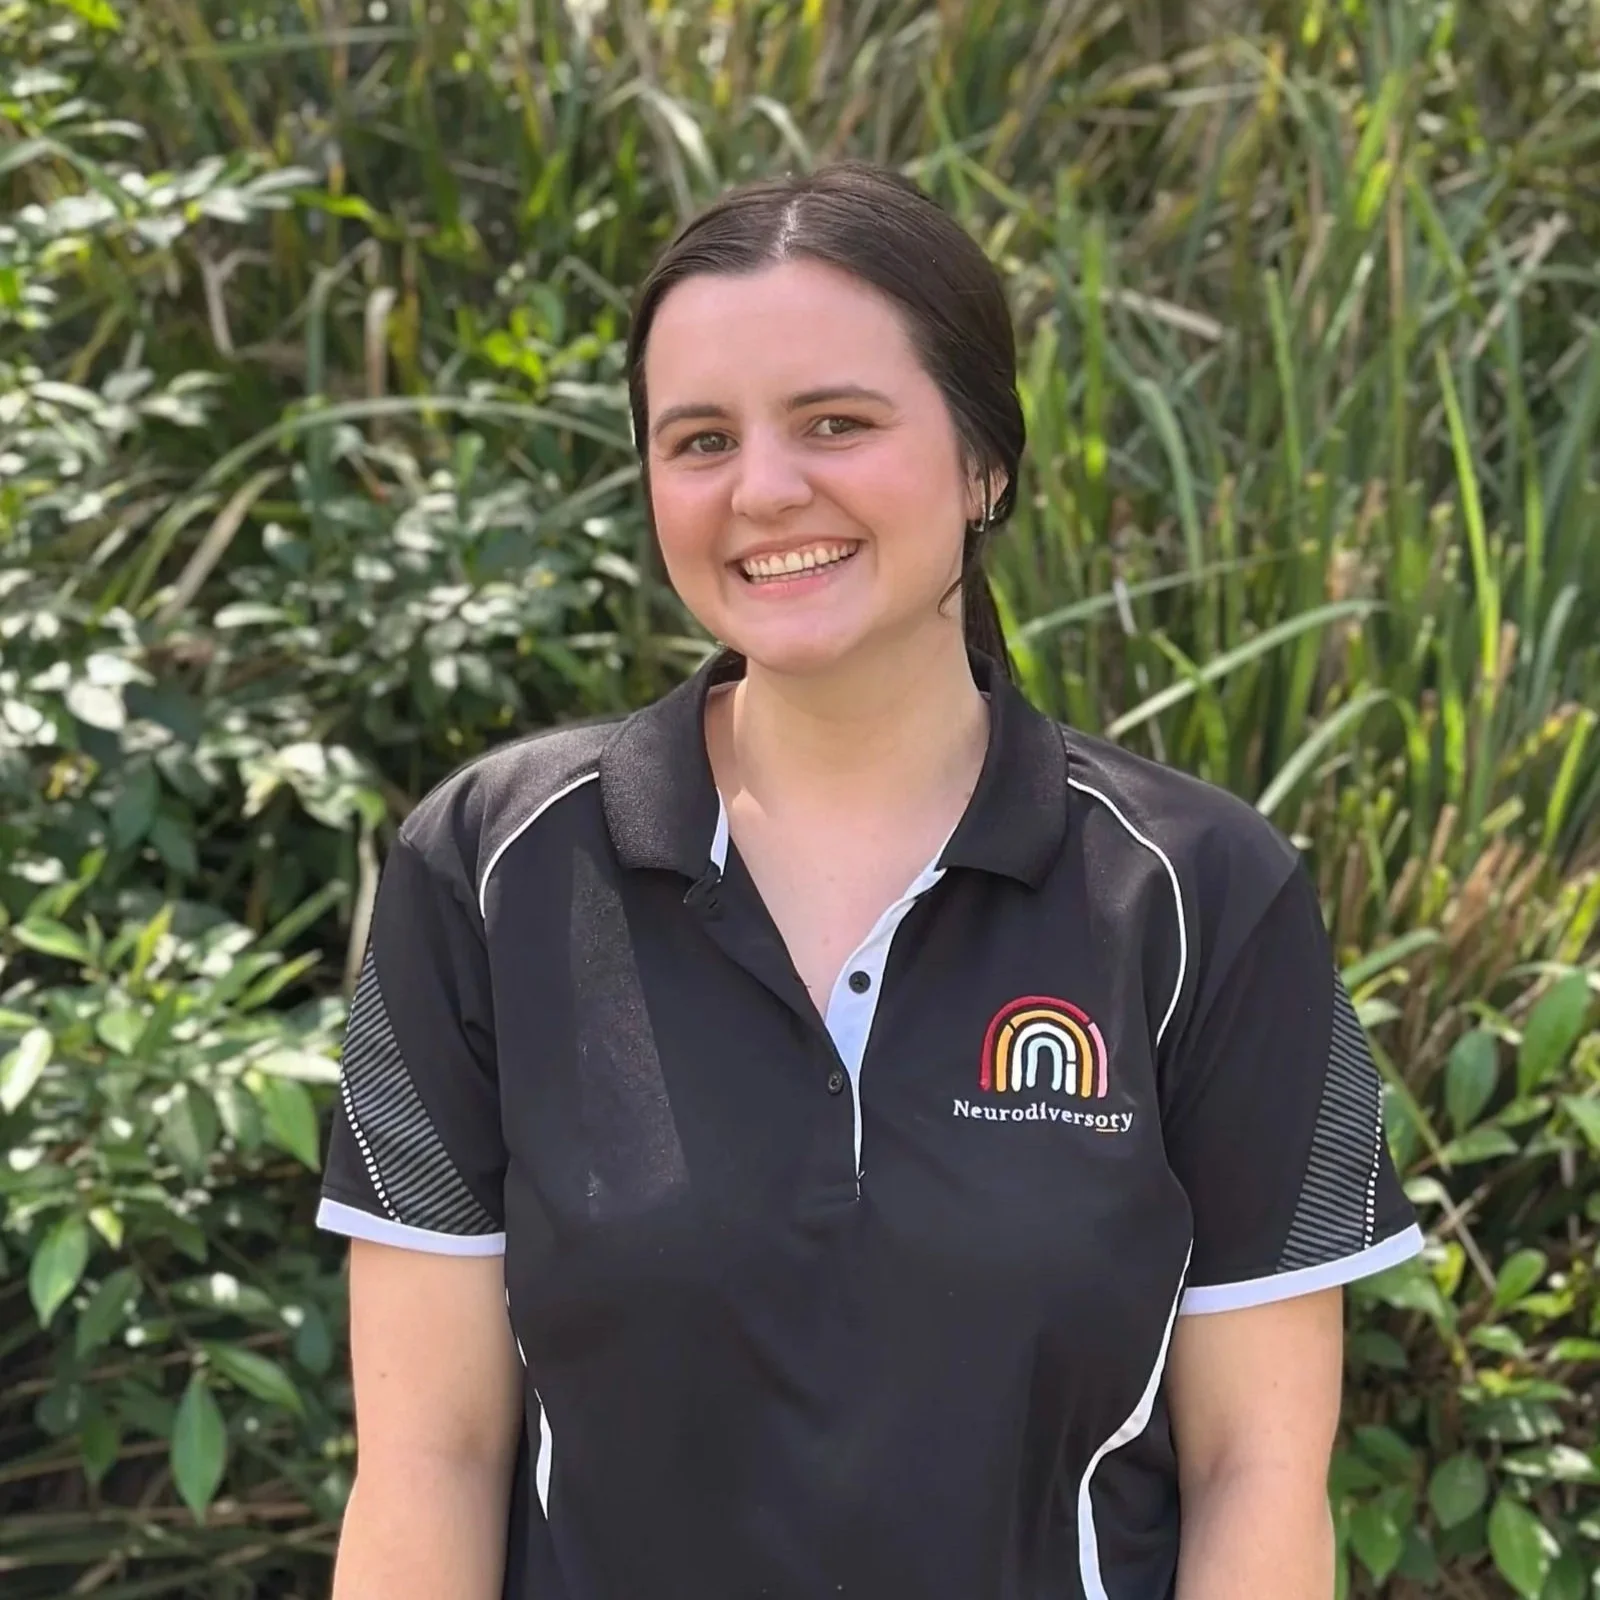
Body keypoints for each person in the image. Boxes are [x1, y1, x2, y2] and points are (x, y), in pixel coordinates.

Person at [315, 160, 1424, 1600]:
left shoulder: (1203, 894)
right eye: (700, 439)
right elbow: (431, 1460)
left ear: (984, 463)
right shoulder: (484, 869)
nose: (765, 489)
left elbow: (1256, 1473)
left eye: (836, 422)